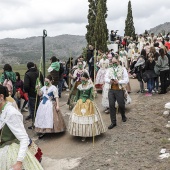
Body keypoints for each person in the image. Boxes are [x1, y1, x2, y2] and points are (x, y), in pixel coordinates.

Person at [0, 85, 43, 170]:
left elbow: (24, 138)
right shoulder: (2, 111)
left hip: (12, 152)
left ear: (1, 96)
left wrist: (19, 162)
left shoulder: (11, 113)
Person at [68, 72, 106, 140]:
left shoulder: (90, 86)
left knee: (89, 117)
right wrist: (76, 101)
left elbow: (92, 95)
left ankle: (87, 133)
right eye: (81, 80)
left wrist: (93, 94)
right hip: (80, 102)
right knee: (78, 117)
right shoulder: (79, 86)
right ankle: (80, 132)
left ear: (87, 79)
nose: (82, 81)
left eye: (84, 80)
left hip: (88, 102)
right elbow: (77, 95)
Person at [34, 75, 66, 139]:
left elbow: (56, 97)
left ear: (51, 81)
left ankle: (51, 129)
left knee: (49, 117)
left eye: (47, 81)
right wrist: (38, 89)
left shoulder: (54, 88)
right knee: (42, 116)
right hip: (43, 104)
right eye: (45, 81)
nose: (45, 82)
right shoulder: (43, 87)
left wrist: (57, 105)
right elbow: (40, 94)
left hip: (50, 104)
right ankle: (43, 130)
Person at [105, 57, 129, 129]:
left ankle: (123, 115)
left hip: (119, 89)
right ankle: (113, 122)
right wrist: (110, 81)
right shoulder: (109, 69)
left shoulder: (123, 69)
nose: (114, 64)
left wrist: (119, 81)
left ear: (118, 62)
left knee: (121, 104)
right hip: (111, 89)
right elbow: (105, 78)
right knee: (111, 105)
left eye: (115, 62)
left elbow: (126, 80)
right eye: (113, 62)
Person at [24, 62, 44, 129]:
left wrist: (27, 91)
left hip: (32, 94)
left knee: (33, 110)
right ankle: (41, 123)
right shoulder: (39, 72)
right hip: (40, 94)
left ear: (28, 67)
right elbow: (42, 83)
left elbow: (26, 86)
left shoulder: (27, 74)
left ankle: (35, 124)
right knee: (40, 109)